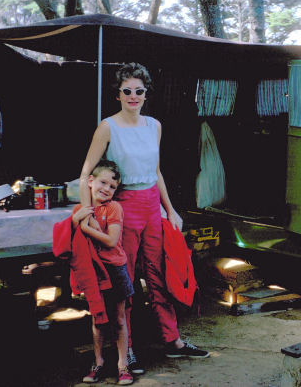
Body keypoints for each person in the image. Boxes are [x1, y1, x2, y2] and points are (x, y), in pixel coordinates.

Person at [79, 62, 209, 375]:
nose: (133, 96)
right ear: (118, 94)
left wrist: (171, 209)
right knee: (125, 282)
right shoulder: (108, 127)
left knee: (161, 275)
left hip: (152, 205)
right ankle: (128, 351)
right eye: (127, 91)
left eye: (139, 91)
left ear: (146, 94)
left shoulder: (154, 126)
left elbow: (156, 172)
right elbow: (85, 173)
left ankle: (172, 340)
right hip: (124, 206)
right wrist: (89, 214)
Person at [72, 160, 134, 385]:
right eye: (102, 182)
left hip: (115, 268)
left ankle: (122, 365)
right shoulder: (81, 210)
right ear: (90, 181)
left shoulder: (114, 208)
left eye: (112, 187)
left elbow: (111, 240)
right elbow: (71, 241)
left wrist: (86, 227)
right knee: (98, 319)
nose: (106, 189)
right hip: (93, 271)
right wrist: (76, 220)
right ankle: (97, 363)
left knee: (118, 319)